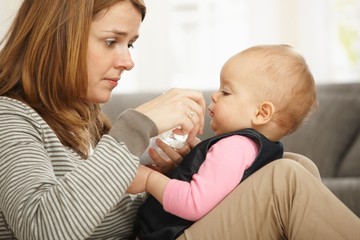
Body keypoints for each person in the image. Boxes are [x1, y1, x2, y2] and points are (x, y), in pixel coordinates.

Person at [0, 1, 206, 239]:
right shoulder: (8, 117)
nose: (128, 62)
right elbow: (44, 228)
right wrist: (136, 126)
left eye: (129, 44)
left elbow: (106, 221)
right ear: (58, 38)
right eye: (111, 42)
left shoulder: (86, 120)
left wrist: (162, 179)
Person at [133, 45, 360, 240]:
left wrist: (150, 179)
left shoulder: (232, 147)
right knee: (299, 167)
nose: (214, 95)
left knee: (296, 167)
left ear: (262, 113)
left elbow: (193, 204)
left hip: (170, 234)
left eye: (226, 91)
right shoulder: (251, 148)